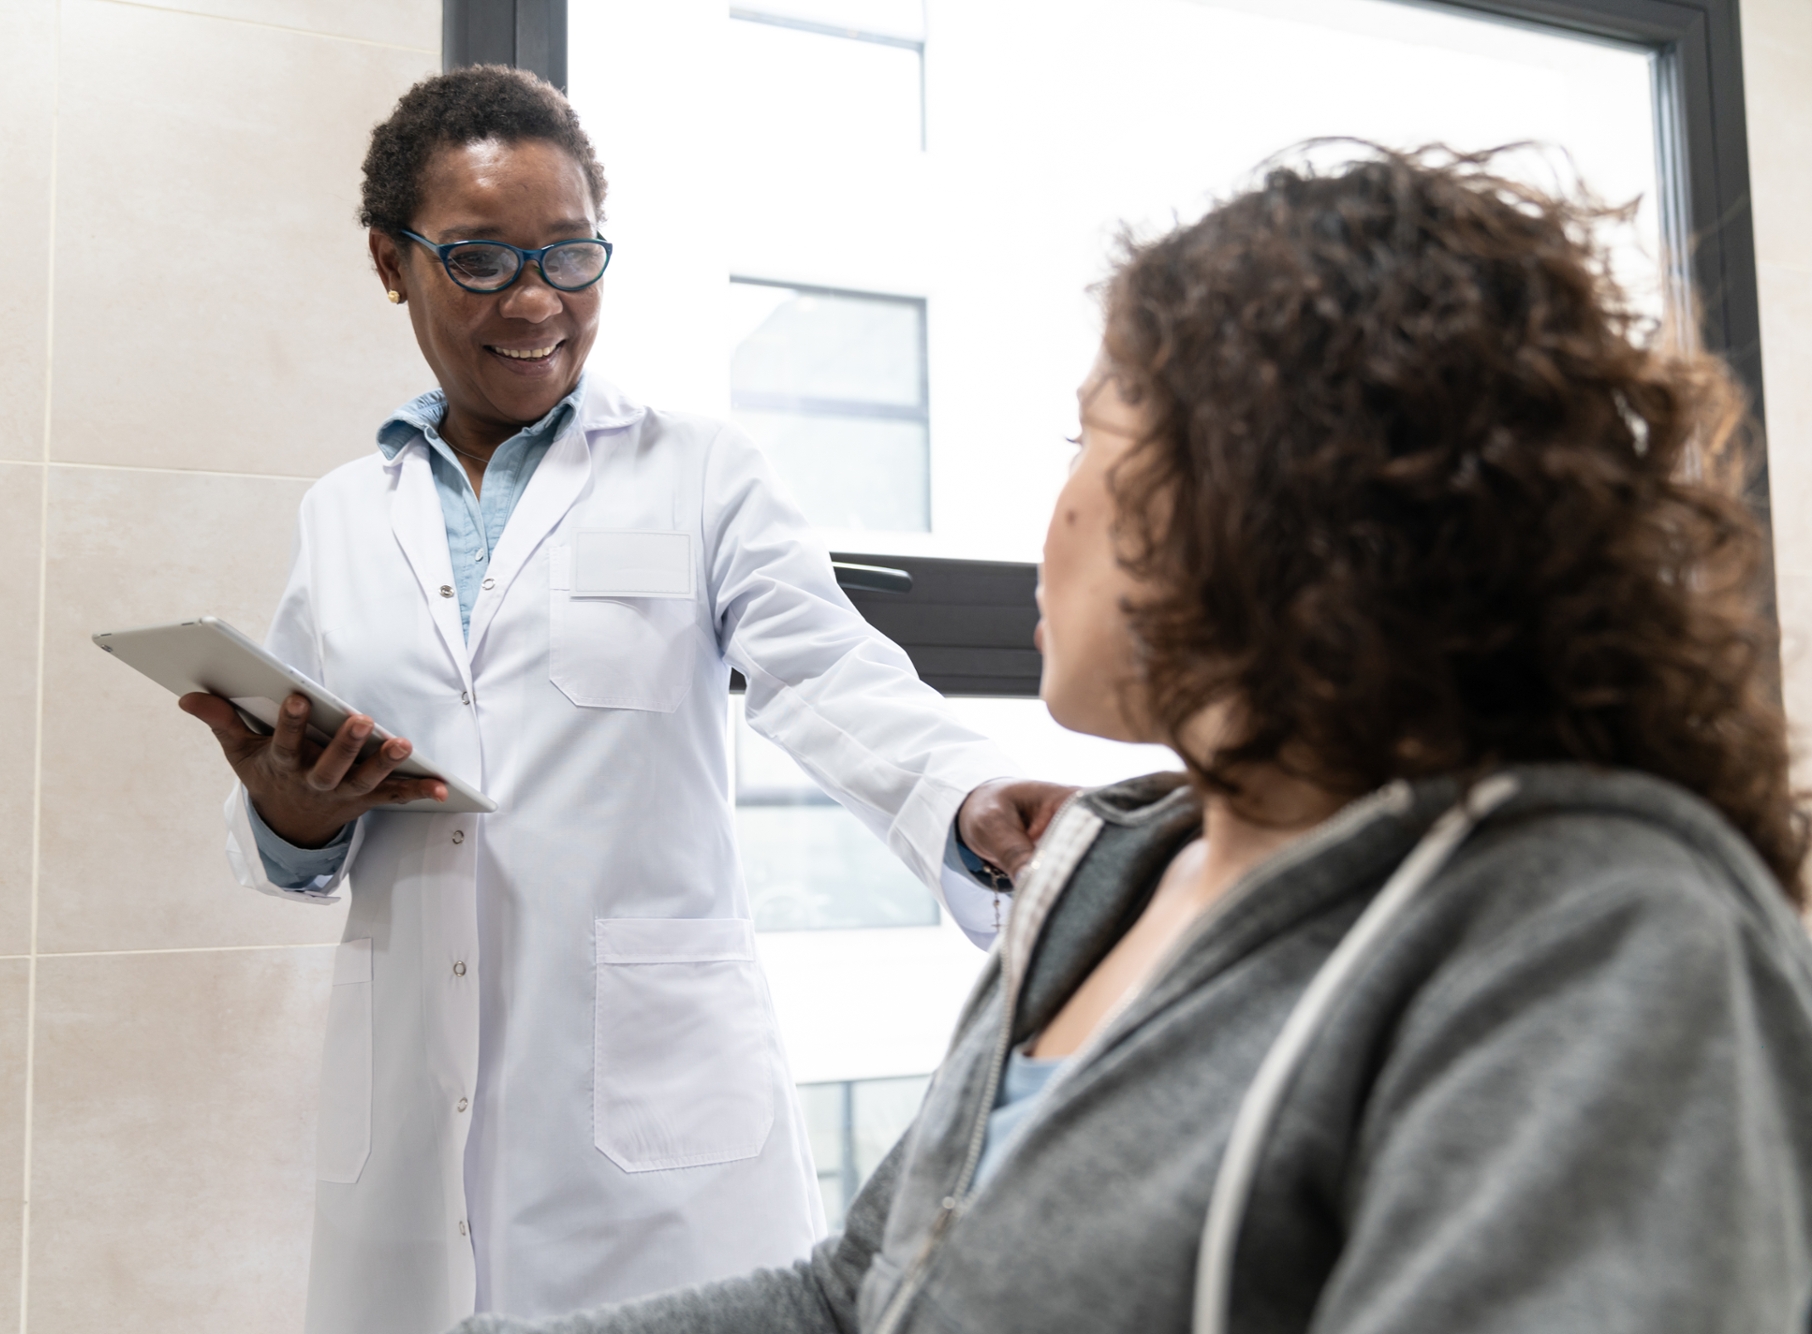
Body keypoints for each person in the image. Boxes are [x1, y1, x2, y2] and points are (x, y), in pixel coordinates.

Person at [445, 147, 1812, 1334]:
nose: (1056, 514)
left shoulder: (1595, 932)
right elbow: (856, 1298)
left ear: (1265, 483)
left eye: (1087, 434)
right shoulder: (1106, 870)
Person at [175, 66, 1073, 1334]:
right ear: (391, 262)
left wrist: (968, 793)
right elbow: (288, 824)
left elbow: (826, 670)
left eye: (571, 254)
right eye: (480, 260)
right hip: (408, 1116)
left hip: (657, 1130)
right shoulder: (340, 515)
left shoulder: (700, 469)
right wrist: (290, 815)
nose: (536, 300)